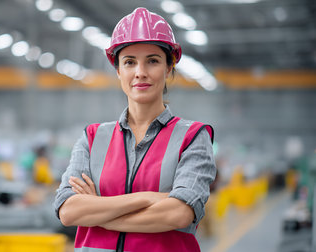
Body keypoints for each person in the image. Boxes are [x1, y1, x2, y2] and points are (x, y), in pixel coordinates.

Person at [54, 7, 216, 252]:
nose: (140, 72)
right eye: (130, 62)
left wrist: (97, 210)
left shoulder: (193, 137)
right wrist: (149, 198)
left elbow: (178, 214)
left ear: (169, 68)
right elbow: (68, 211)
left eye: (152, 61)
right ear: (119, 70)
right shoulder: (92, 138)